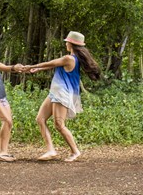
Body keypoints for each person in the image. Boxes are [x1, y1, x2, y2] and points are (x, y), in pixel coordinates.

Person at [23, 31, 100, 162]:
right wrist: (38, 69)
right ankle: (50, 150)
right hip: (55, 92)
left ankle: (75, 151)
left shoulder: (69, 59)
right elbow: (53, 65)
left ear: (71, 44)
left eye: (67, 42)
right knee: (40, 119)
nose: (65, 44)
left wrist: (32, 66)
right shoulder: (71, 59)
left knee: (59, 124)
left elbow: (51, 63)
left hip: (62, 93)